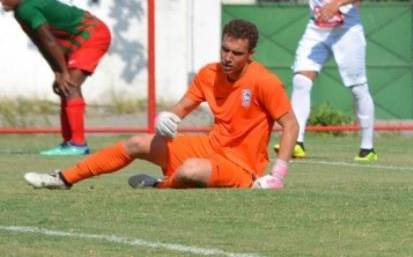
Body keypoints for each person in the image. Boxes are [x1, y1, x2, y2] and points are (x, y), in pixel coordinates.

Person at [24, 18, 300, 190]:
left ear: (250, 54)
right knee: (136, 142)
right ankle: (63, 178)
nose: (228, 57)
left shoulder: (264, 81)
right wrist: (166, 118)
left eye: (236, 53)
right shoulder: (209, 73)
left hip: (242, 166)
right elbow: (181, 109)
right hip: (209, 147)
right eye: (224, 49)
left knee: (190, 170)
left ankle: (158, 185)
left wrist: (278, 174)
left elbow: (291, 125)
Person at [279, 0, 378, 162]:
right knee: (301, 80)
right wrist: (324, 8)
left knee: (358, 87)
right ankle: (297, 141)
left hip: (346, 29)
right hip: (317, 27)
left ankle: (367, 148)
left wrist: (338, 3)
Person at [1, 0, 112, 156]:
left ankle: (78, 144)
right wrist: (58, 72)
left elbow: (49, 41)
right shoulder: (20, 12)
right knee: (64, 87)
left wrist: (63, 72)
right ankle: (70, 143)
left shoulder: (27, 8)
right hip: (78, 38)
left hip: (92, 34)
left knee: (70, 86)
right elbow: (42, 44)